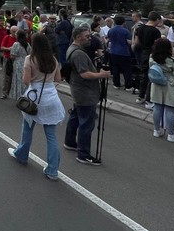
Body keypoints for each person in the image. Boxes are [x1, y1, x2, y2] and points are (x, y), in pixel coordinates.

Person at [9, 32, 65, 180]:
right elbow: (59, 78)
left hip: (34, 97)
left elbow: (26, 80)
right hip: (51, 97)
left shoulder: (30, 59)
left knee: (27, 129)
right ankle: (52, 170)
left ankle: (21, 154)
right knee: (51, 136)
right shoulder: (53, 59)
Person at [64, 26, 111, 166]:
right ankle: (83, 154)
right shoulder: (78, 53)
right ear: (78, 37)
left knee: (76, 117)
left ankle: (70, 142)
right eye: (87, 36)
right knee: (86, 124)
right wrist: (101, 75)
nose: (89, 38)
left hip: (79, 90)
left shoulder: (72, 49)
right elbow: (84, 74)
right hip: (85, 93)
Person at [148, 38, 174, 142]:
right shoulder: (171, 60)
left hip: (156, 83)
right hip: (170, 84)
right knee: (170, 109)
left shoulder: (152, 57)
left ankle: (156, 130)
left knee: (157, 107)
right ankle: (171, 134)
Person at [133, 12, 163, 108]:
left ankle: (141, 96)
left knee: (144, 75)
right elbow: (157, 45)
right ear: (157, 19)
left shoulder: (139, 28)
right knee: (152, 76)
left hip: (143, 53)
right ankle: (149, 100)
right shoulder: (155, 31)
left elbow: (136, 43)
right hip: (152, 54)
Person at [107, 15, 132, 90]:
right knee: (126, 70)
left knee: (115, 68)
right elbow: (129, 42)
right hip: (124, 52)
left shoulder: (111, 30)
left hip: (113, 52)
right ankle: (128, 86)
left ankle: (116, 84)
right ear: (123, 22)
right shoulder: (125, 31)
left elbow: (109, 40)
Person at [7, 29, 31, 101]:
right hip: (26, 62)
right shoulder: (28, 44)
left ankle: (19, 96)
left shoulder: (16, 44)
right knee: (25, 81)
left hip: (18, 63)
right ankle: (26, 95)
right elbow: (30, 53)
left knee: (18, 80)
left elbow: (12, 55)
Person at [0, 25, 18, 99]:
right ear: (10, 31)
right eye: (13, 31)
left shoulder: (19, 39)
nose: (15, 33)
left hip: (16, 60)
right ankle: (4, 92)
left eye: (16, 32)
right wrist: (9, 49)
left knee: (14, 77)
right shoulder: (7, 37)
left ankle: (11, 91)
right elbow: (2, 47)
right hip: (7, 59)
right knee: (6, 76)